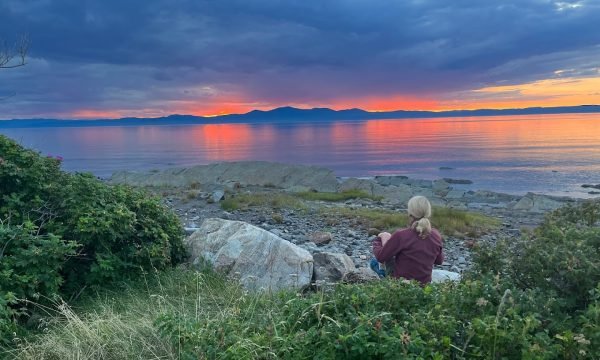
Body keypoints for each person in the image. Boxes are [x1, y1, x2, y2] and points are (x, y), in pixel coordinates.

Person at [370, 195, 444, 284]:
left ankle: (384, 281)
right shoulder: (436, 235)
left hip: (401, 283)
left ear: (410, 213)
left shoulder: (401, 235)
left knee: (374, 262)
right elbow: (439, 261)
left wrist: (379, 239)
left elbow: (381, 257)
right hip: (424, 286)